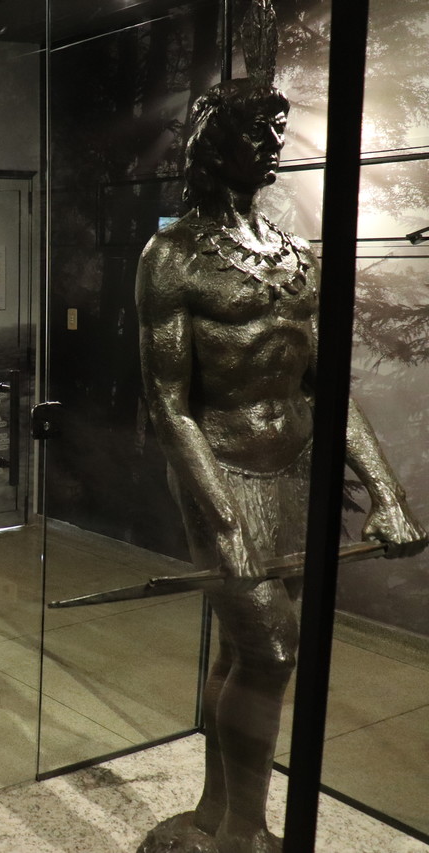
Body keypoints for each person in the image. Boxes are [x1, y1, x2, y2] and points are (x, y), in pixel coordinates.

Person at [136, 78, 426, 853]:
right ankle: (245, 833)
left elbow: (326, 387)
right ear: (213, 145)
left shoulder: (298, 255)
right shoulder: (171, 258)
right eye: (257, 129)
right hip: (219, 468)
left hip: (293, 468)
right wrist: (224, 519)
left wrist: (387, 494)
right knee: (271, 651)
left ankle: (210, 812)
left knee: (243, 648)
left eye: (277, 128)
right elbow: (168, 403)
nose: (272, 143)